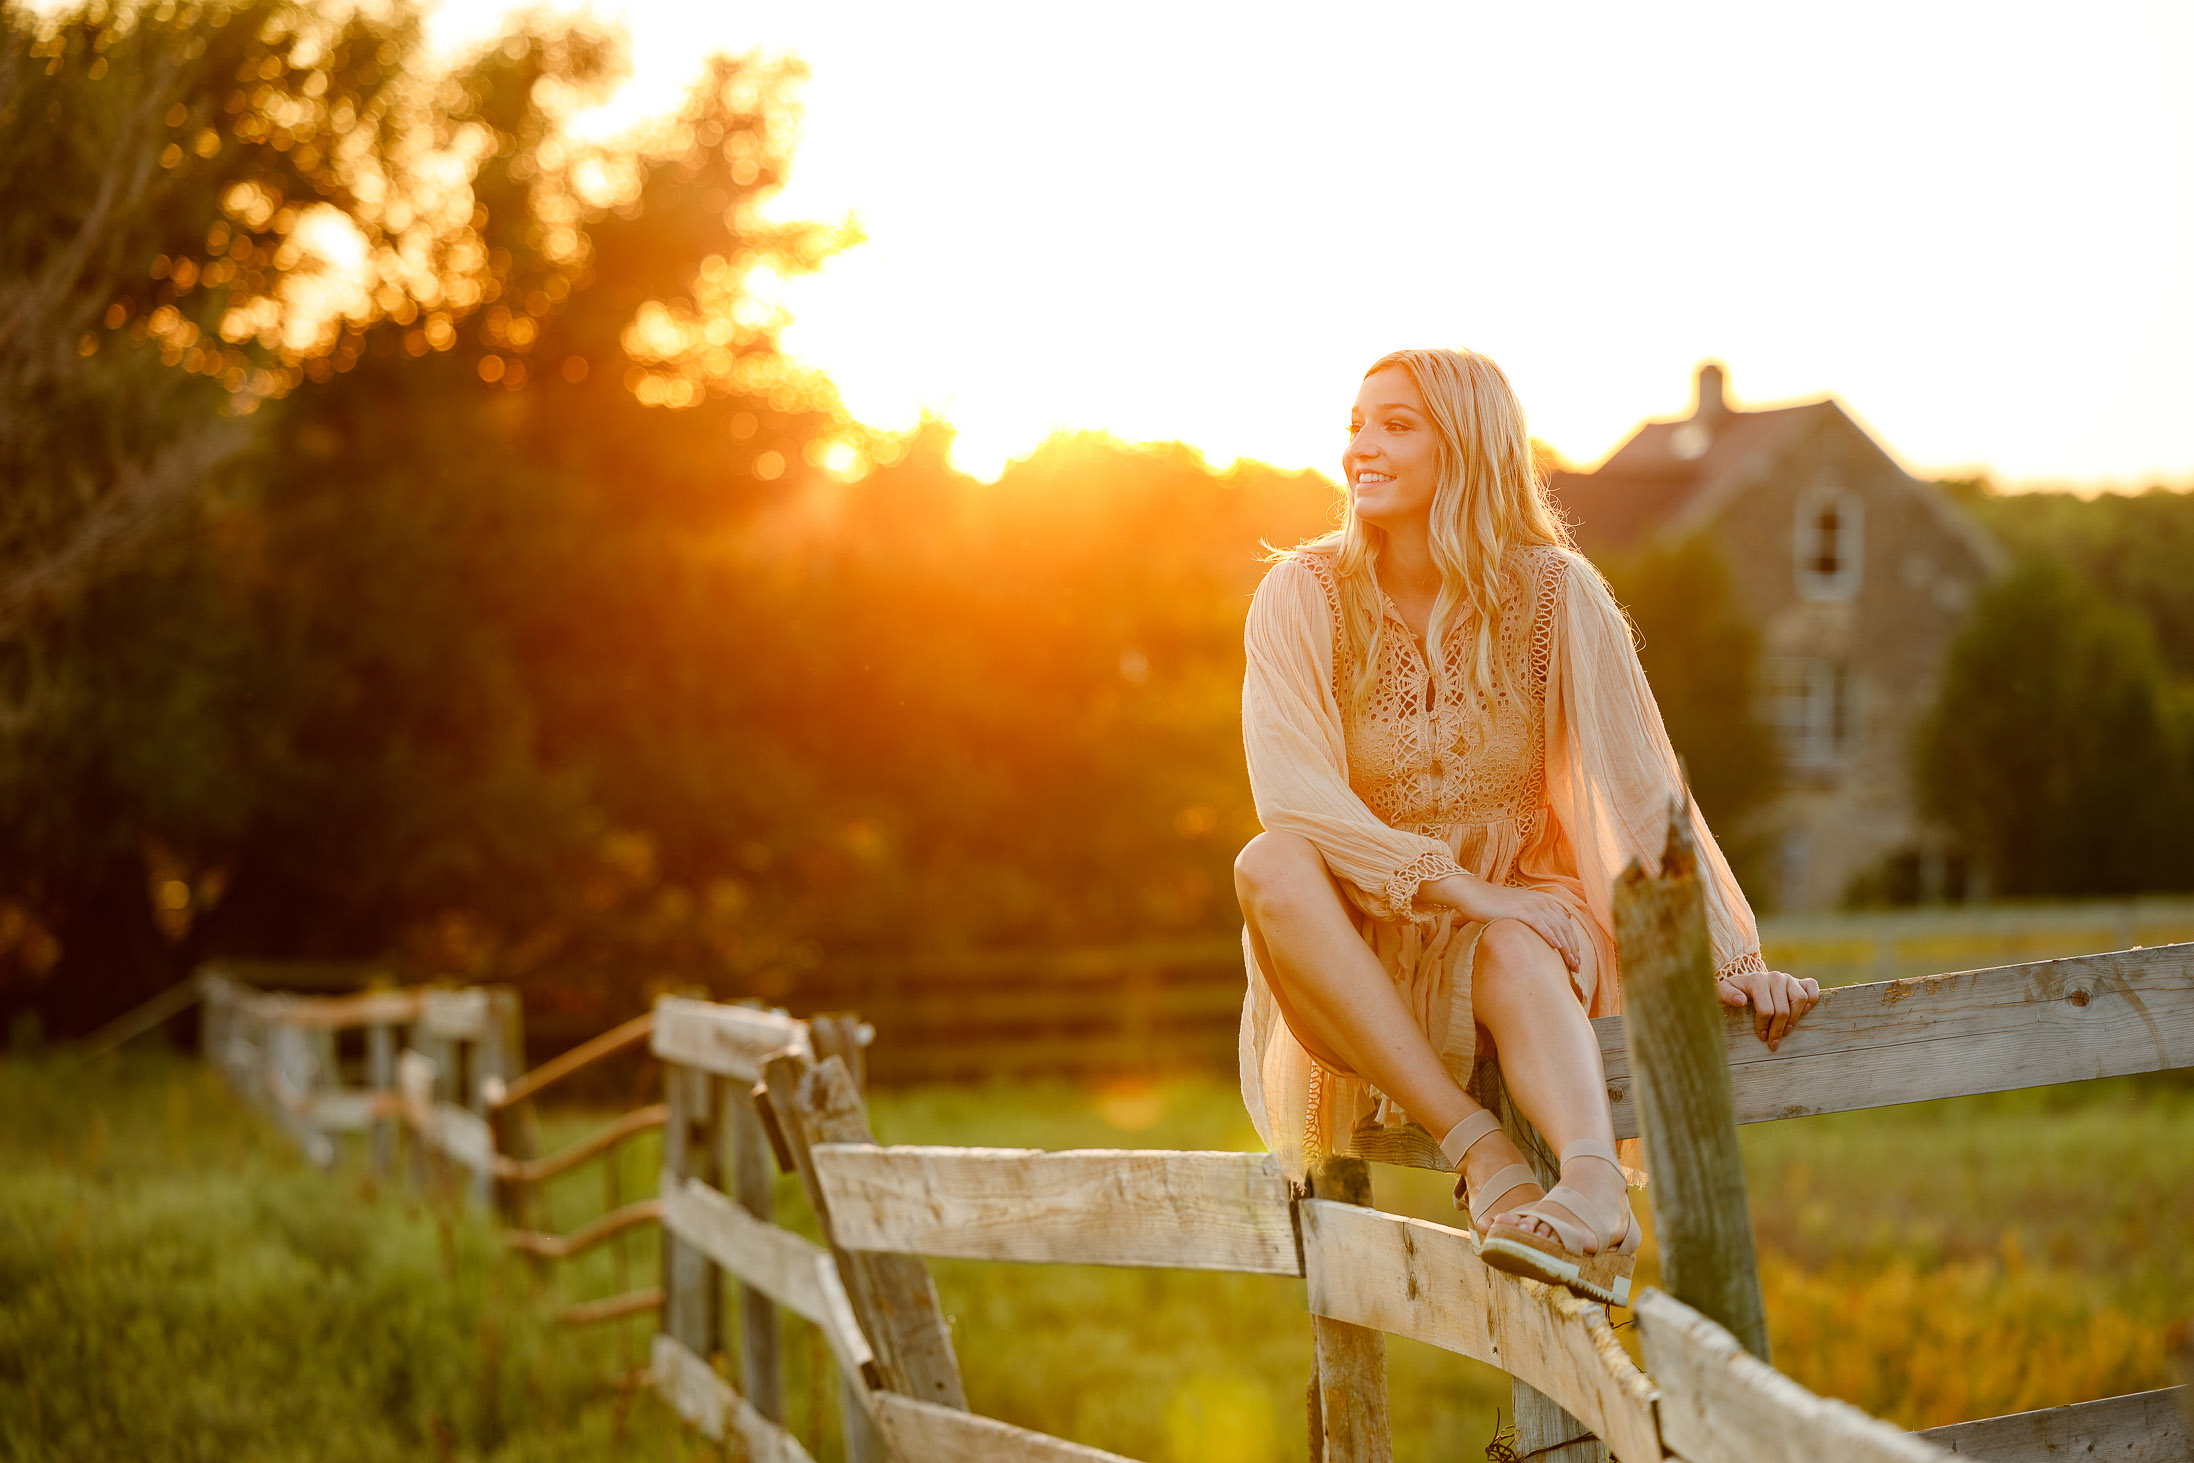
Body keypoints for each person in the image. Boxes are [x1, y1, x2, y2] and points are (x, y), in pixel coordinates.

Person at [1232, 347, 1819, 1304]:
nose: (1360, 449)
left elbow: (1639, 788)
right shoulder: (1301, 596)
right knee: (1269, 863)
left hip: (1524, 929)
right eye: (1354, 425)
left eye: (1395, 424)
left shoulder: (1556, 595)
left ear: (1463, 443)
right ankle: (1488, 1154)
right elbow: (1293, 797)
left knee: (1512, 938)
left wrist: (1730, 964)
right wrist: (1455, 883)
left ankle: (1592, 1187)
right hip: (1364, 950)